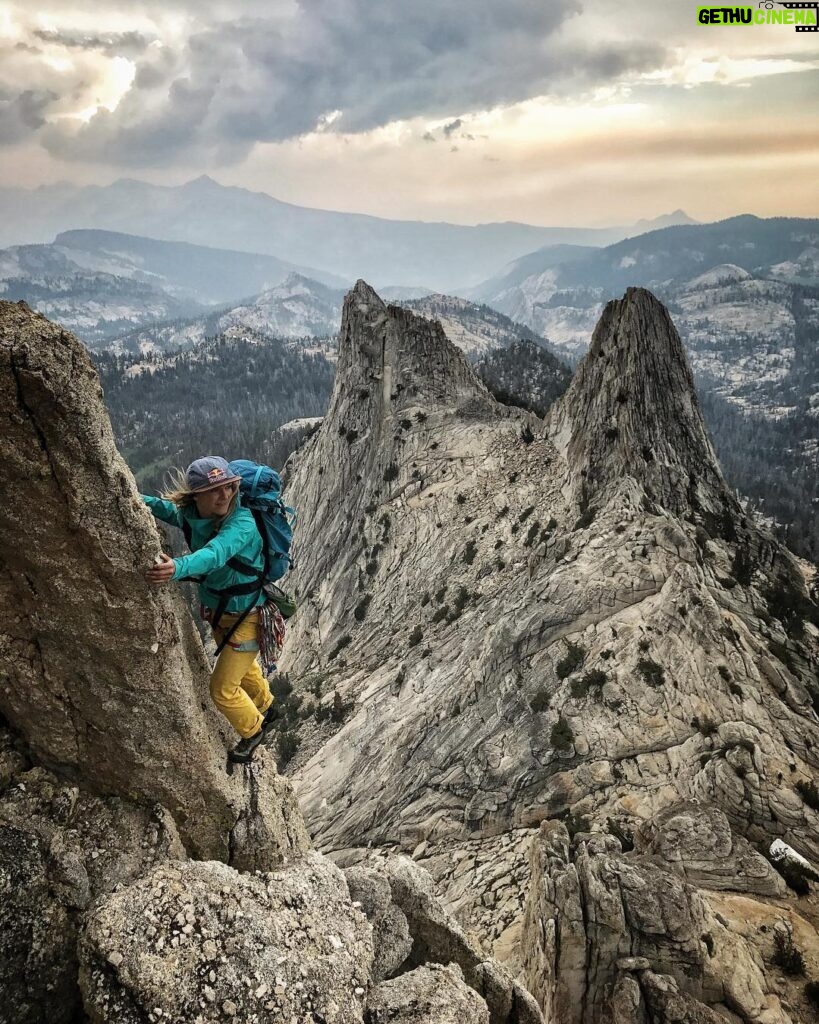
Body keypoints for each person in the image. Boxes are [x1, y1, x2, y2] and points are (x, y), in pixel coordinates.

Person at [142, 455, 277, 763]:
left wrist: (177, 567)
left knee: (222, 689)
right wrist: (129, 496)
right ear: (196, 495)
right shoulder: (193, 514)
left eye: (229, 487)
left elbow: (215, 554)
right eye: (216, 489)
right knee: (244, 668)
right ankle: (267, 706)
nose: (225, 495)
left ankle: (254, 730)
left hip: (248, 617)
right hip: (222, 613)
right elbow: (167, 510)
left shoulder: (242, 523)